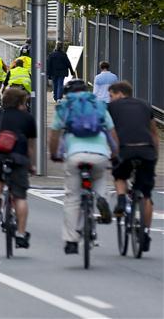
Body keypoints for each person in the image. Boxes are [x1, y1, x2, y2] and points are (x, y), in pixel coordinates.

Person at [50, 79, 117, 254]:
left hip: (75, 155)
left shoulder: (64, 107)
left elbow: (55, 135)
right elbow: (112, 132)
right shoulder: (99, 105)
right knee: (100, 177)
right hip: (100, 153)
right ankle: (101, 198)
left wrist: (54, 154)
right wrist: (115, 153)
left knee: (72, 197)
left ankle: (71, 241)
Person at [0, 88, 36, 249]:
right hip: (18, 156)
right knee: (20, 197)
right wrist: (31, 165)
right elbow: (30, 146)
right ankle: (20, 234)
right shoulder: (27, 118)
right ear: (20, 103)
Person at [108, 81, 157, 251]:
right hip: (146, 150)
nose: (110, 98)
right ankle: (145, 233)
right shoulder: (145, 105)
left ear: (120, 94)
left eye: (111, 95)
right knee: (146, 195)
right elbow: (154, 133)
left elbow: (109, 131)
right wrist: (154, 154)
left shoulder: (112, 108)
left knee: (120, 175)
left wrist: (111, 153)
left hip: (125, 150)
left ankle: (121, 199)